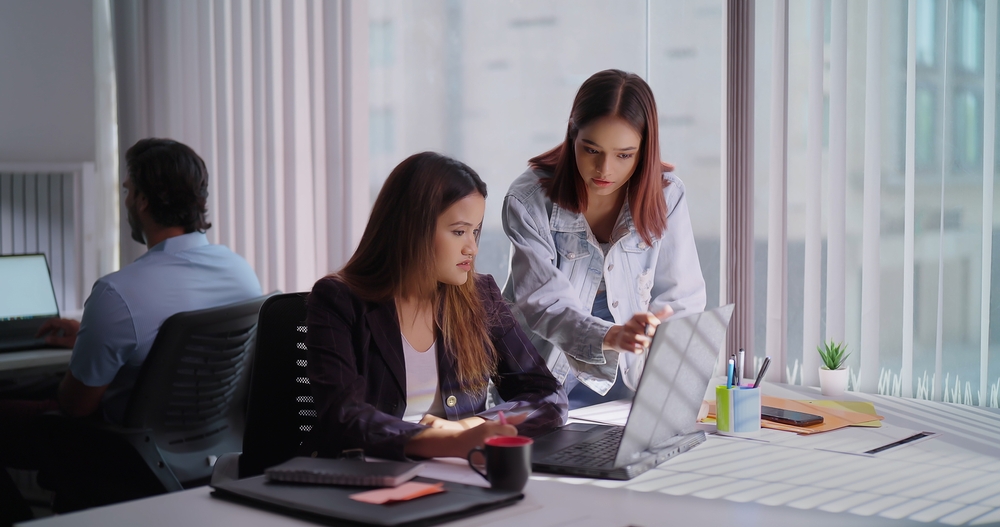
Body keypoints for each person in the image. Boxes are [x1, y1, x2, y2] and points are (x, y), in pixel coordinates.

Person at [0, 138, 262, 524]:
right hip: (208, 444)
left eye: (127, 189)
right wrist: (91, 337)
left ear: (141, 200)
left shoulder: (118, 293)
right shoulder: (241, 273)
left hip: (117, 449)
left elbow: (76, 405)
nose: (125, 200)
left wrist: (94, 344)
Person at [304, 151, 567, 461]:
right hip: (371, 480)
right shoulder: (337, 300)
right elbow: (343, 416)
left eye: (475, 231)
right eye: (458, 232)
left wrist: (473, 426)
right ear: (411, 228)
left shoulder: (481, 296)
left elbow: (547, 394)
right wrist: (448, 443)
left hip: (459, 474)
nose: (472, 247)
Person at [502, 69, 707, 409]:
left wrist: (674, 390)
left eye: (624, 155)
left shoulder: (667, 196)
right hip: (541, 381)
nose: (605, 170)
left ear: (644, 149)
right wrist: (612, 336)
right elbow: (544, 304)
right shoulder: (528, 199)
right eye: (591, 150)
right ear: (572, 136)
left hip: (630, 384)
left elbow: (682, 299)